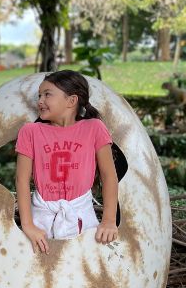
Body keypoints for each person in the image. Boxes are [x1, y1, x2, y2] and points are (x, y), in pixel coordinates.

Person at [15, 70, 119, 254]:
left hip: (81, 214)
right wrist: (28, 225)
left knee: (82, 269)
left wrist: (109, 221)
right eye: (39, 95)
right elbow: (21, 181)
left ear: (71, 101)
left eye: (47, 94)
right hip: (42, 217)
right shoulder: (30, 132)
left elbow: (109, 176)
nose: (40, 100)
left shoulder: (94, 128)